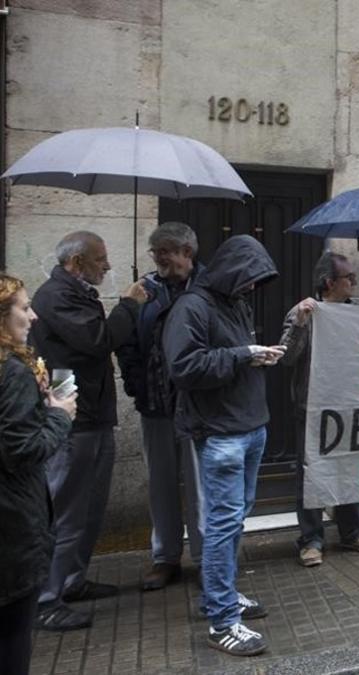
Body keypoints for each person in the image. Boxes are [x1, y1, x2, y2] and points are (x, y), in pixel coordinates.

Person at [162, 235, 283, 657]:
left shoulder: (234, 302)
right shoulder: (191, 308)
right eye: (248, 279)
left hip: (249, 425)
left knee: (234, 519)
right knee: (222, 523)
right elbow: (184, 366)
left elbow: (230, 356)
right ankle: (221, 620)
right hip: (221, 432)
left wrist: (252, 356)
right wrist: (242, 355)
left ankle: (223, 594)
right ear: (232, 272)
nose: (252, 288)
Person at [31, 231, 148, 631]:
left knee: (90, 508)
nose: (108, 266)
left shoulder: (78, 293)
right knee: (65, 510)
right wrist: (129, 306)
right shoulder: (55, 296)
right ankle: (46, 598)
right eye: (100, 259)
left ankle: (71, 580)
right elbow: (97, 341)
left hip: (94, 413)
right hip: (73, 420)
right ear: (76, 262)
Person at [116, 222, 206, 591]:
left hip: (195, 405)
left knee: (201, 485)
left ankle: (205, 559)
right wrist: (135, 384)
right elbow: (126, 345)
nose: (160, 258)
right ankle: (165, 557)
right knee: (160, 483)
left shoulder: (207, 287)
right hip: (154, 402)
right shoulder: (144, 291)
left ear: (188, 251)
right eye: (156, 252)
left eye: (167, 250)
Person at [280, 252, 359, 565]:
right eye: (348, 277)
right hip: (313, 410)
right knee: (311, 475)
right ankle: (311, 539)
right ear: (329, 282)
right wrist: (300, 323)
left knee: (352, 469)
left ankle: (354, 532)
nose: (354, 282)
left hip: (351, 408)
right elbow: (286, 357)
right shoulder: (303, 312)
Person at [0, 274, 76, 673]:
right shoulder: (10, 372)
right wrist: (58, 416)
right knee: (13, 638)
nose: (33, 316)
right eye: (24, 308)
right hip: (11, 523)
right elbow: (22, 449)